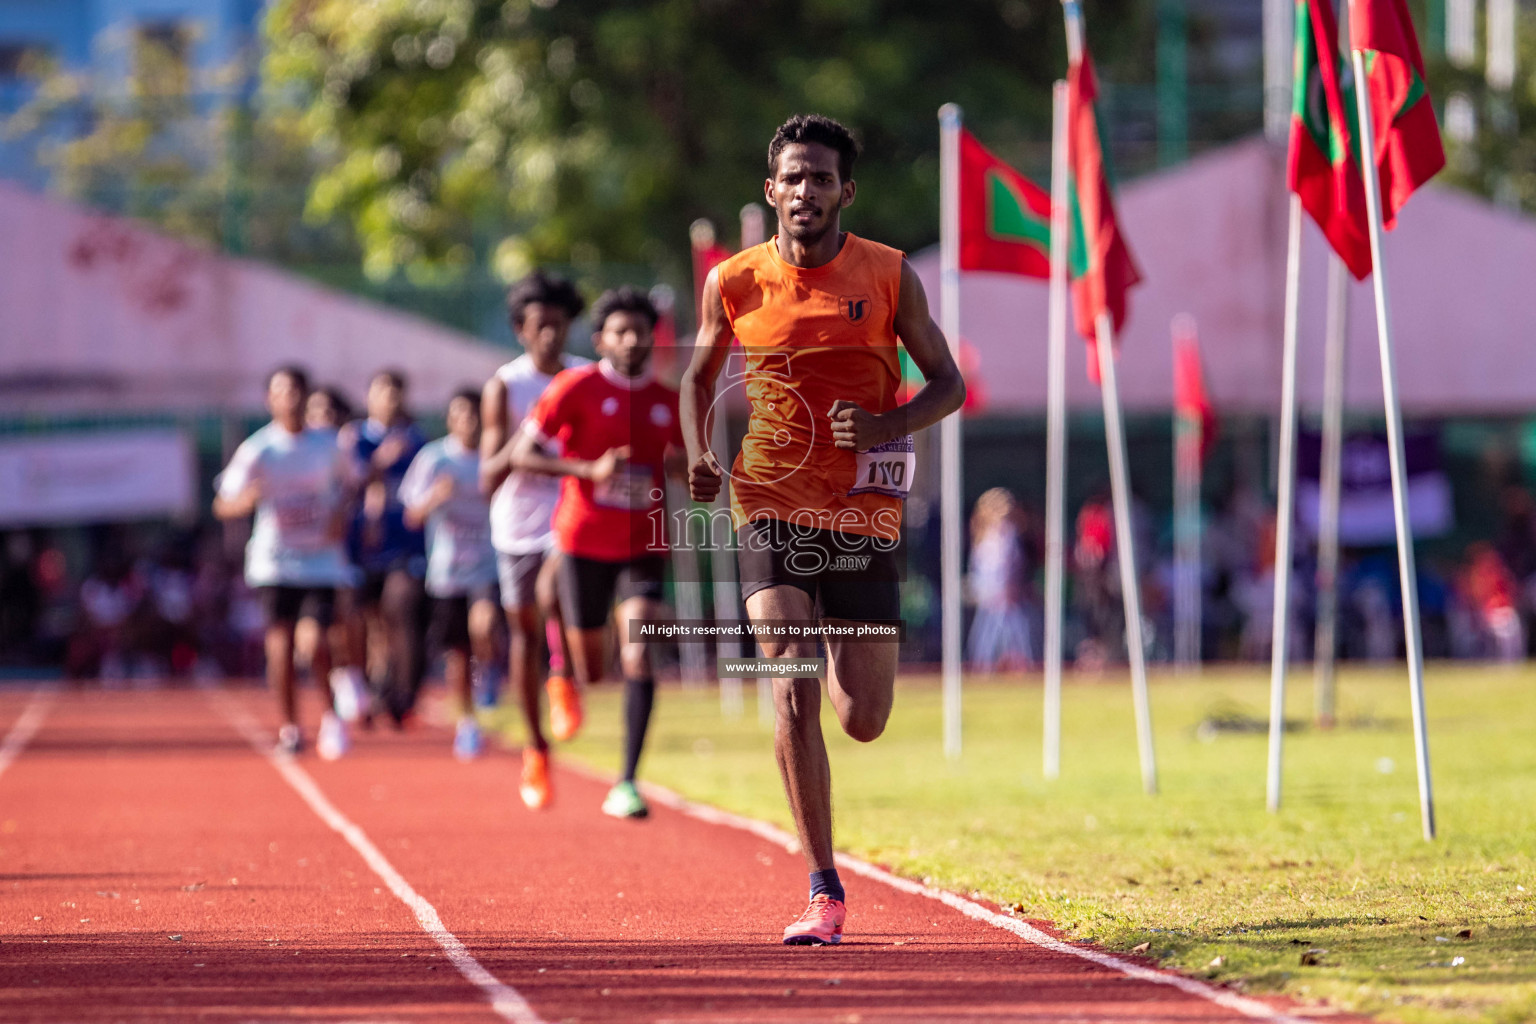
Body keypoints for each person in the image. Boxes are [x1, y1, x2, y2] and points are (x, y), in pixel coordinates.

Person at [680, 114, 966, 944]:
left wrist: (886, 427)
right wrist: (701, 454)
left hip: (863, 512)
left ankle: (845, 671)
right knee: (790, 682)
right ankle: (824, 890)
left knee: (863, 715)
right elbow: (696, 381)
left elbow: (945, 382)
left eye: (821, 178)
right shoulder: (734, 282)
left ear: (847, 190)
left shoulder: (888, 275)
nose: (806, 191)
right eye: (792, 178)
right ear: (771, 191)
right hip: (767, 501)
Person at [510, 285, 682, 820]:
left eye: (640, 332)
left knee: (639, 652)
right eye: (620, 332)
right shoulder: (573, 389)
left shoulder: (667, 402)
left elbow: (684, 465)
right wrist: (588, 470)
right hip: (582, 542)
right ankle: (563, 673)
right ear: (601, 339)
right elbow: (522, 457)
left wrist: (689, 470)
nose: (632, 341)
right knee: (595, 670)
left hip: (643, 546)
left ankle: (627, 781)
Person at [479, 271, 590, 809]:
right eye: (539, 325)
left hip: (573, 517)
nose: (550, 335)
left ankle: (564, 676)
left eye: (559, 324)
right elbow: (488, 475)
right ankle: (535, 747)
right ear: (521, 330)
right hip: (515, 524)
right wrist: (531, 439)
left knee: (554, 592)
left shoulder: (587, 377)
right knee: (522, 635)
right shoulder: (505, 385)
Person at [213, 365, 356, 757]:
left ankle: (330, 715)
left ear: (306, 396)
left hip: (321, 561)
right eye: (281, 391)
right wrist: (242, 502)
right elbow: (222, 502)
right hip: (274, 561)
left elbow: (351, 485)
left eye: (296, 391)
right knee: (279, 648)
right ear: (269, 400)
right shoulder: (259, 449)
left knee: (314, 644)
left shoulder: (329, 445)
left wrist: (340, 515)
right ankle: (291, 727)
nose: (290, 398)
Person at [400, 389, 502, 760]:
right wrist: (435, 498)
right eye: (461, 414)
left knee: (484, 625)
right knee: (458, 654)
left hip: (489, 565)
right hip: (447, 571)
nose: (469, 421)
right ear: (450, 420)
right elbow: (411, 515)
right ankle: (468, 723)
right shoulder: (434, 458)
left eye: (475, 414)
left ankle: (489, 670)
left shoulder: (496, 454)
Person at [338, 369, 429, 726]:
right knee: (364, 622)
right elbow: (347, 483)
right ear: (370, 396)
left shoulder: (416, 441)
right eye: (383, 390)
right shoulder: (353, 439)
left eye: (397, 391)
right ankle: (365, 684)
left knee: (400, 610)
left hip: (404, 546)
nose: (390, 397)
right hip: (359, 547)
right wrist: (377, 465)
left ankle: (400, 695)